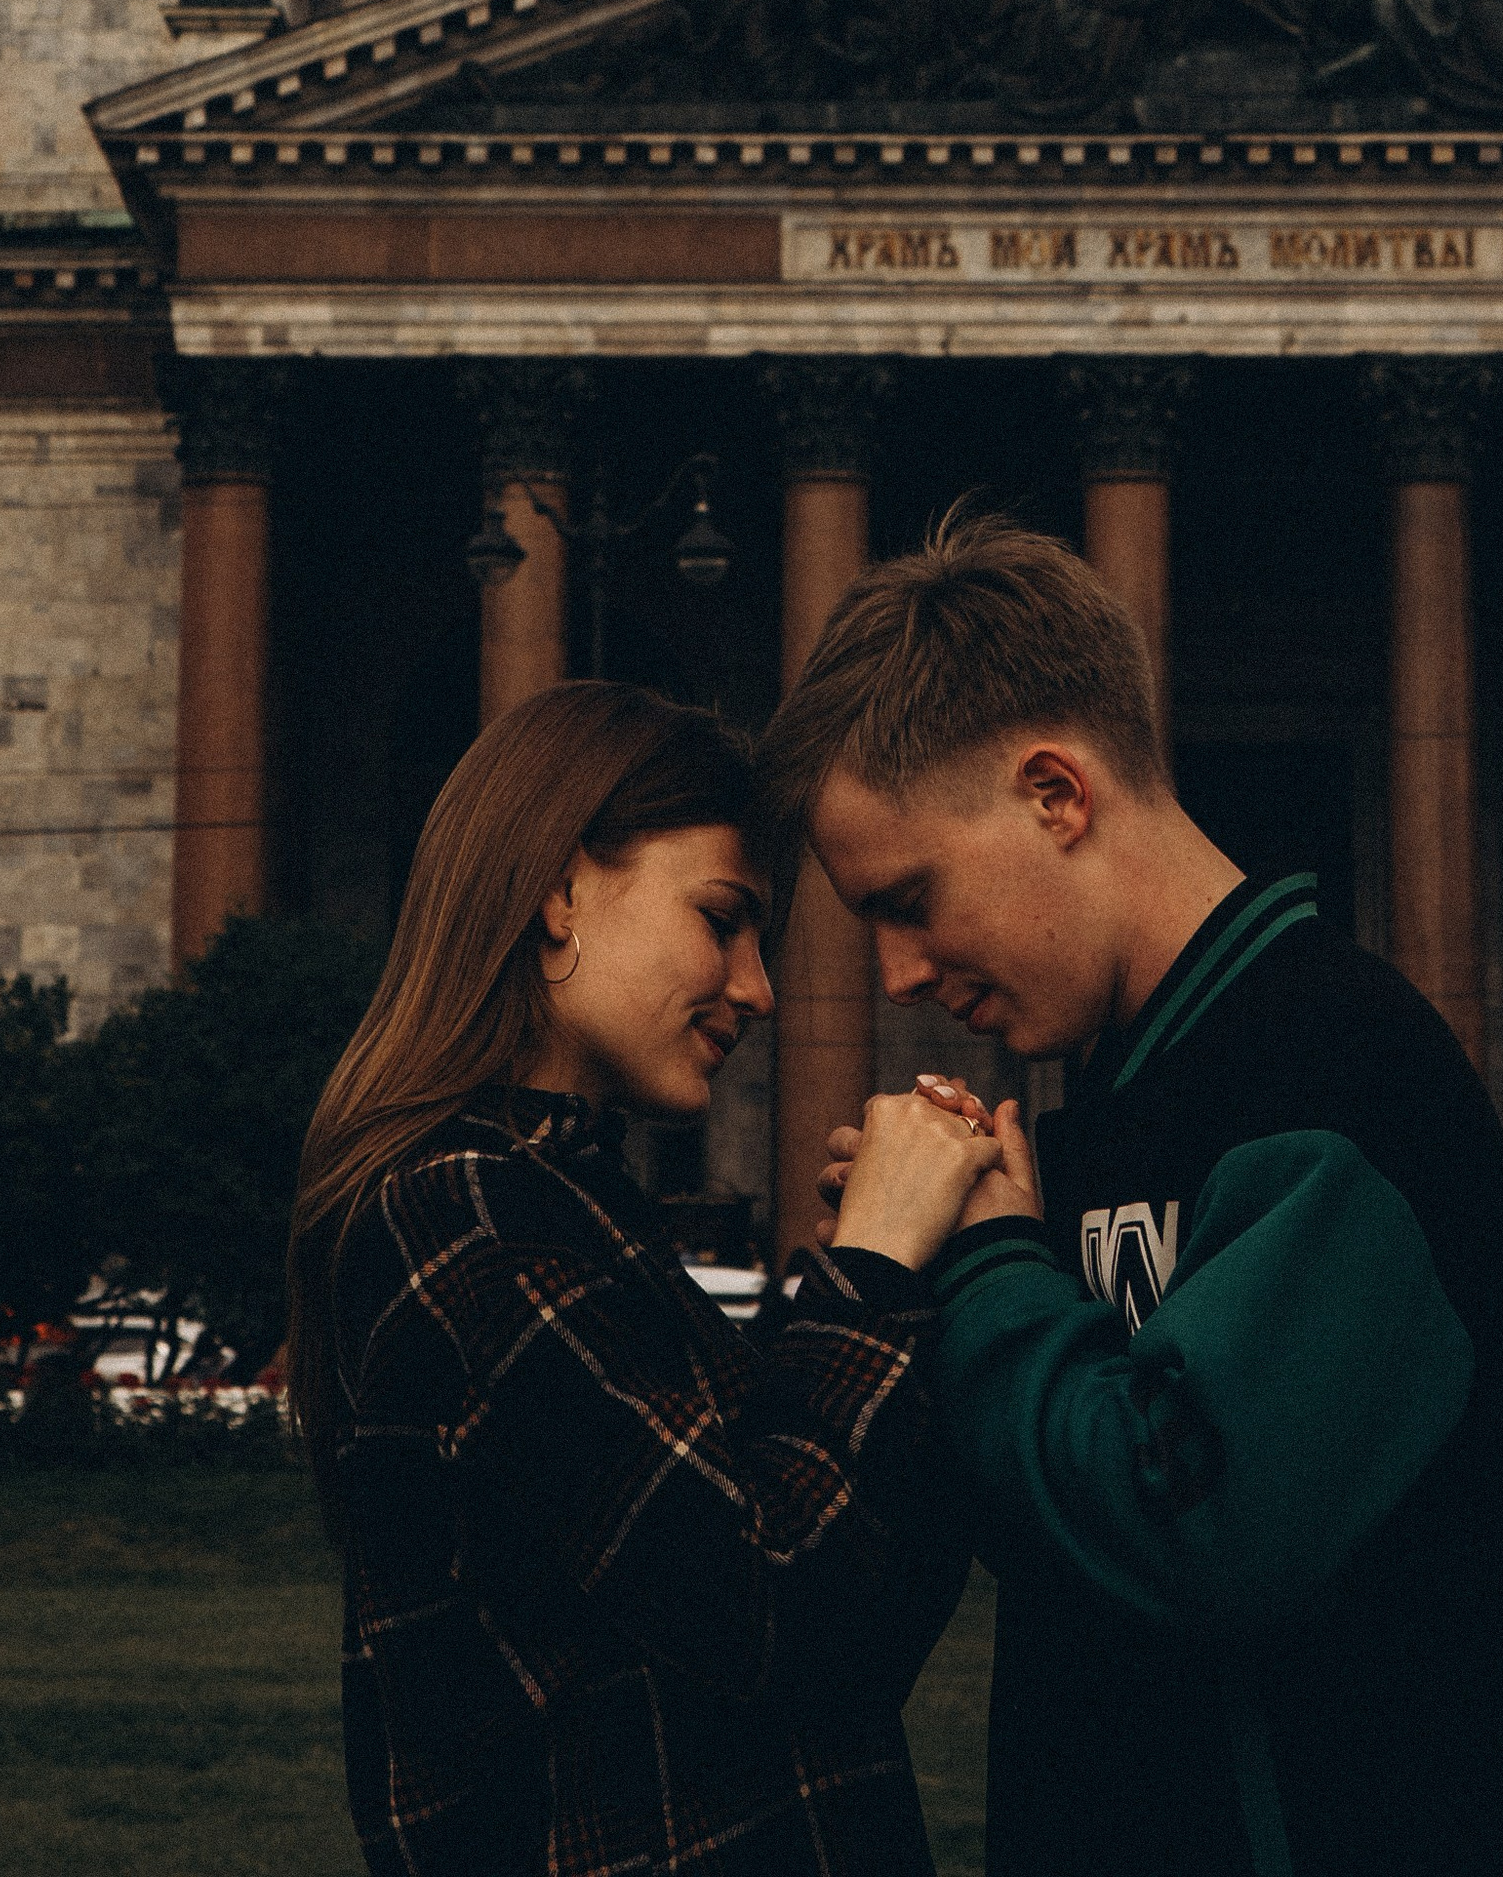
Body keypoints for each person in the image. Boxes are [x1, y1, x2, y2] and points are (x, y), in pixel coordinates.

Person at [769, 514, 1503, 1877]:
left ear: (1056, 792)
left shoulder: (1333, 1064)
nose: (897, 975)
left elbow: (1196, 1529)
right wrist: (905, 1289)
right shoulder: (1114, 1090)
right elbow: (1059, 1531)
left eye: (909, 899)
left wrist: (986, 1267)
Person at [288, 680, 995, 1877]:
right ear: (560, 893)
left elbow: (848, 1641)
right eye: (722, 919)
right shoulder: (464, 1210)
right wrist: (865, 1276)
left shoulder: (557, 1200)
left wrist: (920, 1284)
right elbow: (768, 1598)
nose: (759, 988)